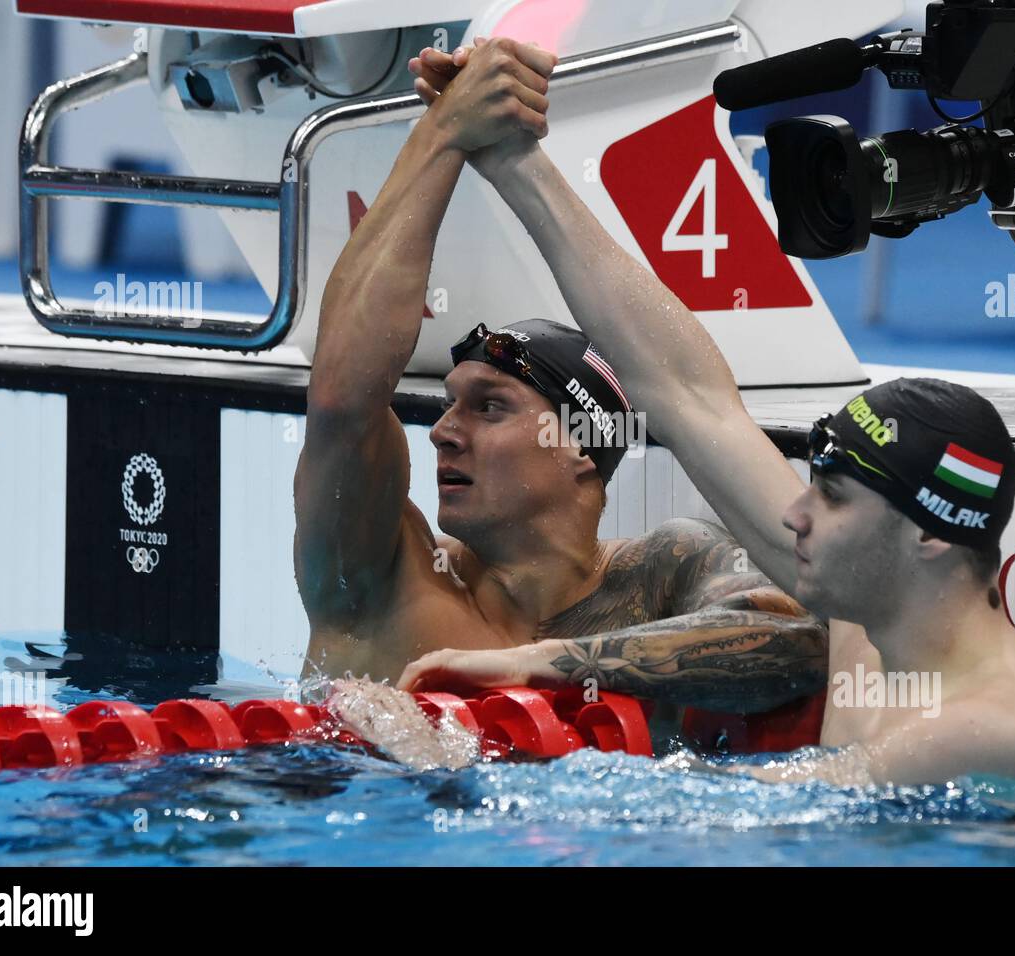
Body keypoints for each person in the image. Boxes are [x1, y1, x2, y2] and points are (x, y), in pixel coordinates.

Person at [346, 39, 1015, 792]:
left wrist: (464, 749)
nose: (795, 514)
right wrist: (515, 158)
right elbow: (689, 397)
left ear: (927, 535)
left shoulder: (1001, 725)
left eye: (832, 498)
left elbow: (739, 813)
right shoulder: (872, 619)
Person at [293, 37, 826, 717]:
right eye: (450, 405)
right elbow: (342, 401)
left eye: (490, 408)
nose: (443, 435)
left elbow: (799, 637)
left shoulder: (663, 573)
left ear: (579, 442)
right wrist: (441, 134)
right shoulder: (386, 575)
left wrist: (529, 667)